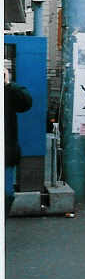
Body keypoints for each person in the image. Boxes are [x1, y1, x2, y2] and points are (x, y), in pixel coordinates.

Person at [5, 61, 33, 216]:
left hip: (5, 152)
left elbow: (25, 103)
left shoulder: (8, 90)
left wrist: (8, 84)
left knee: (6, 194)